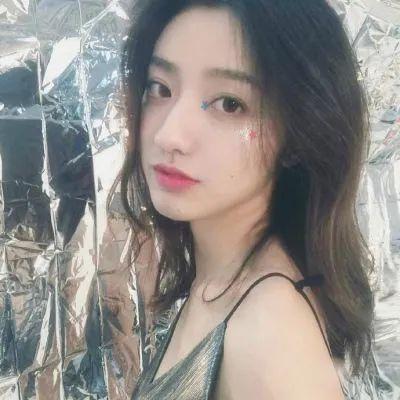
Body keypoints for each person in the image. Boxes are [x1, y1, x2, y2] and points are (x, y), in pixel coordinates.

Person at [114, 0, 376, 398]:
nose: (169, 135)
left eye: (230, 104)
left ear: (298, 135)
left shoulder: (269, 337)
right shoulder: (222, 280)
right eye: (160, 88)